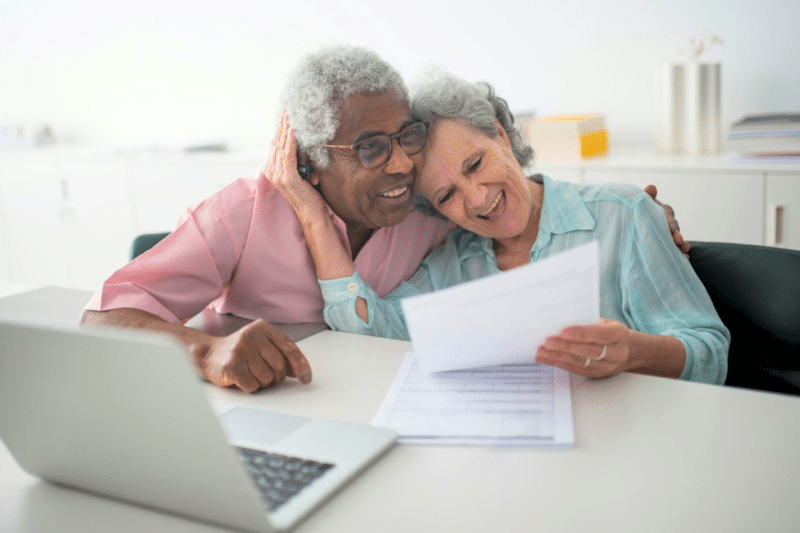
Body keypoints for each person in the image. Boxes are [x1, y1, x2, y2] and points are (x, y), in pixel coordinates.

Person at [80, 45, 688, 392]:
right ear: (311, 163)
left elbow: (513, 201)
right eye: (371, 148)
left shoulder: (431, 211)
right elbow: (101, 319)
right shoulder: (244, 213)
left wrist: (641, 211)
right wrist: (204, 352)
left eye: (407, 136)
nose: (402, 164)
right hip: (253, 411)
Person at [270, 73, 729, 384]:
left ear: (500, 134)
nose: (476, 198)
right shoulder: (454, 261)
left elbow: (710, 353)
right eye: (446, 196)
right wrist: (312, 215)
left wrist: (633, 351)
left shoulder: (622, 215)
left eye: (475, 164)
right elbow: (367, 333)